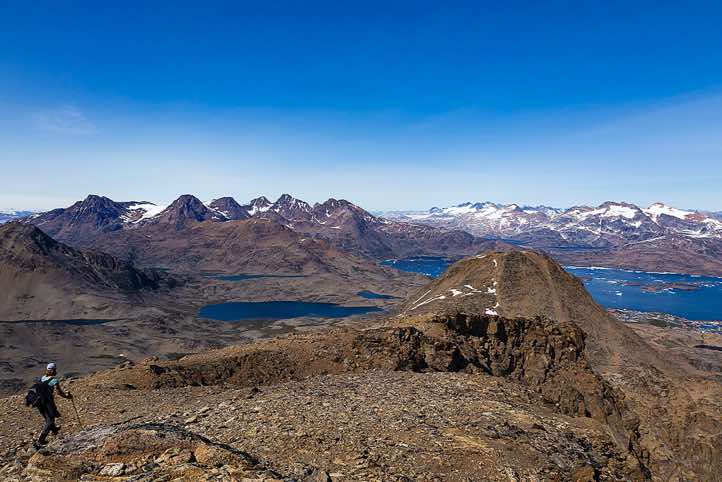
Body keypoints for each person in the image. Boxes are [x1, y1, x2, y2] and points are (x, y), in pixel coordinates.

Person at [33, 362, 72, 449]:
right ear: (53, 370)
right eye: (55, 370)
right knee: (50, 421)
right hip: (48, 403)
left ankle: (54, 429)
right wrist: (67, 396)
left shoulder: (41, 378)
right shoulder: (54, 380)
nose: (55, 371)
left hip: (39, 403)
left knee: (49, 418)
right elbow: (59, 392)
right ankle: (40, 441)